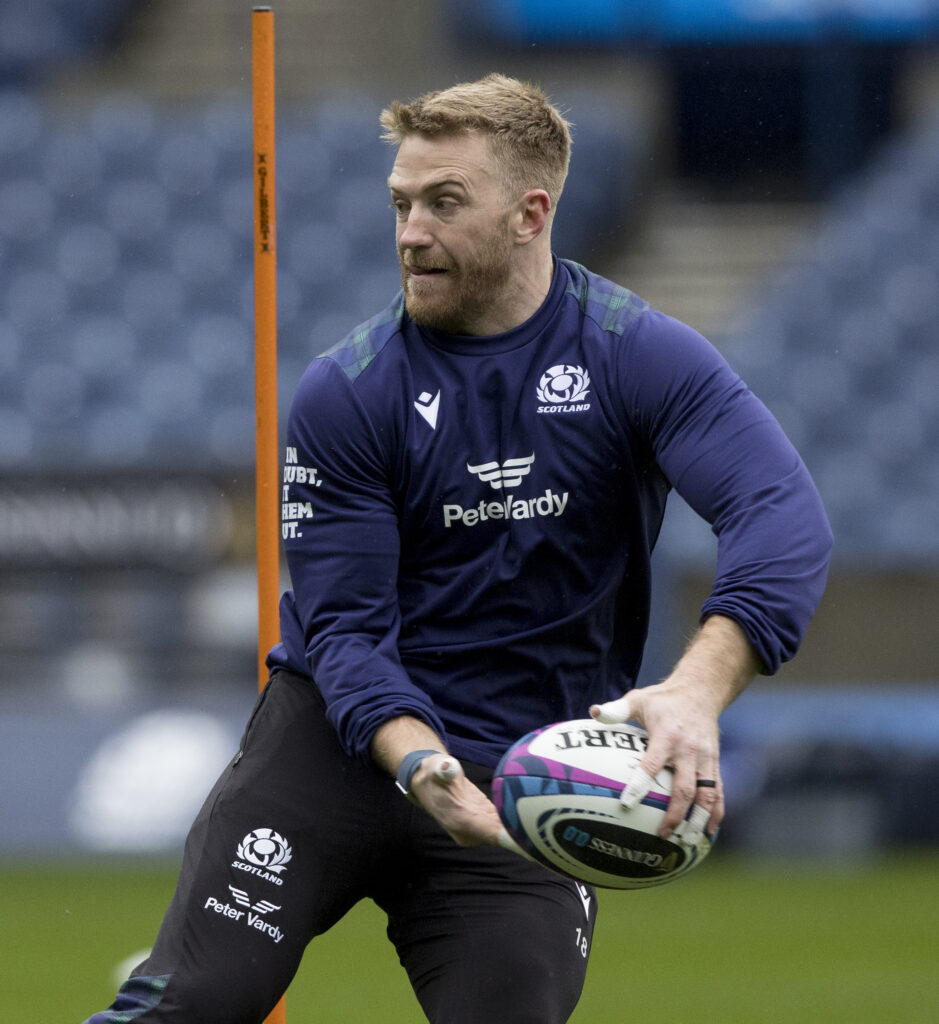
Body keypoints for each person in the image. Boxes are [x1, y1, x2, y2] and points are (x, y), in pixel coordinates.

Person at [82, 73, 832, 1024]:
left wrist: (695, 692)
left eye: (443, 203)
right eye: (400, 204)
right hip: (337, 749)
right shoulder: (348, 390)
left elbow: (781, 514)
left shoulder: (636, 355)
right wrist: (419, 762)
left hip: (525, 779)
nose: (410, 232)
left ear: (530, 214)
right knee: (195, 1003)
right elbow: (346, 633)